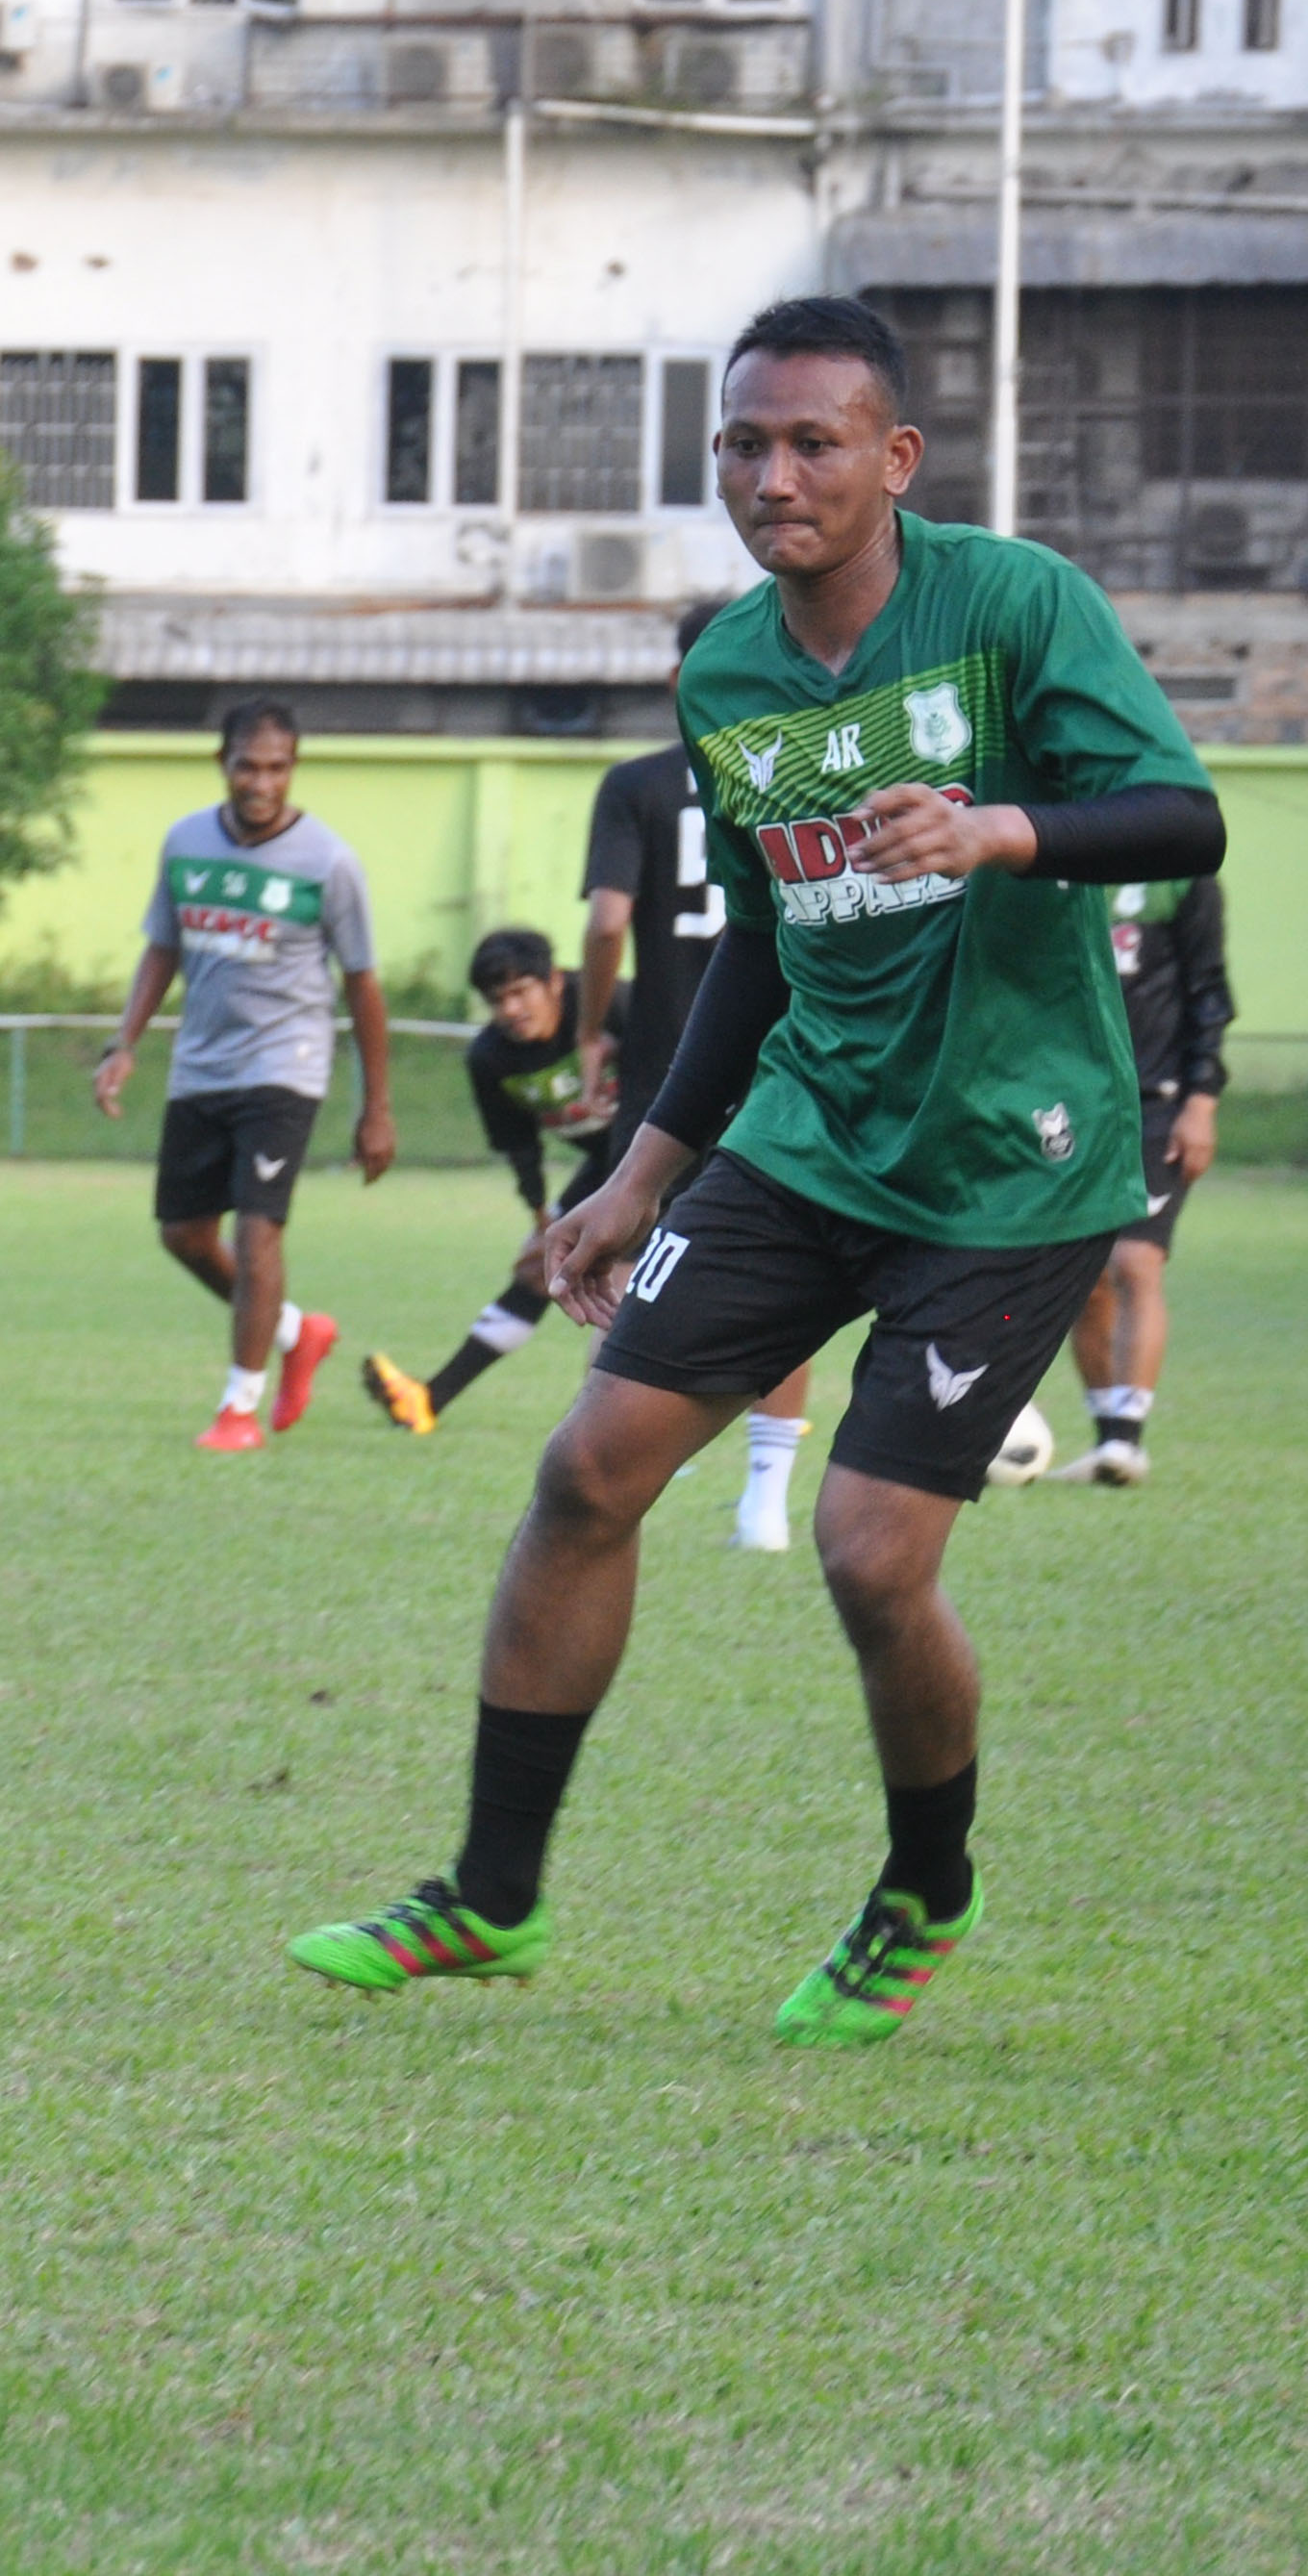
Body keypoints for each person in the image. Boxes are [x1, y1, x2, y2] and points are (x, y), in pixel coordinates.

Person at [286, 296, 1222, 2046]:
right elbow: (763, 946)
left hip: (1008, 1160)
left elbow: (1181, 814)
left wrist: (999, 825)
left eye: (809, 440)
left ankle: (920, 1888)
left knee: (869, 1556)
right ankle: (489, 1895)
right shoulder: (724, 669)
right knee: (586, 1469)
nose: (770, 473)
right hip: (801, 1134)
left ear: (892, 457)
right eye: (740, 441)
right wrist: (638, 1172)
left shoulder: (1009, 605)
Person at [478, 622, 820, 1548]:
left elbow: (605, 920)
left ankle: (619, 1471)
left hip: (676, 1064)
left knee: (624, 1264)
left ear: (681, 674)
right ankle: (765, 1499)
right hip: (791, 1063)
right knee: (788, 1276)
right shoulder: (811, 760)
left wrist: (590, 1028)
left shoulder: (635, 784)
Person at [92, 700, 396, 1451]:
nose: (262, 782)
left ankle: (238, 1408)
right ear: (221, 763)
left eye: (277, 767)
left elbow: (362, 986)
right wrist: (124, 1044)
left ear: (293, 768)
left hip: (284, 1065)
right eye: (248, 765)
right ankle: (297, 1331)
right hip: (201, 1066)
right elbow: (162, 948)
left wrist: (375, 1108)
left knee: (259, 1232)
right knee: (184, 1235)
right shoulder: (186, 842)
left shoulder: (328, 861)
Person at [360, 930, 616, 1427]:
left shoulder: (609, 1005)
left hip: (682, 1156)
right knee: (542, 1271)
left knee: (630, 1286)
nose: (512, 1009)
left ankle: (619, 1429)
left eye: (522, 991)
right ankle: (428, 1400)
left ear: (555, 983)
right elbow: (520, 1146)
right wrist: (542, 1217)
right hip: (611, 1166)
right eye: (499, 1000)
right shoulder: (491, 1058)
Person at [1067, 873, 1228, 1485]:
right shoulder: (1052, 862)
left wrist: (1201, 1102)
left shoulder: (1182, 878)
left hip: (1157, 1101)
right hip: (1070, 1101)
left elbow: (1210, 990)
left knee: (1134, 1262)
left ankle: (1127, 1439)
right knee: (1082, 1278)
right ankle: (1109, 1437)